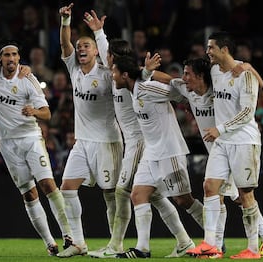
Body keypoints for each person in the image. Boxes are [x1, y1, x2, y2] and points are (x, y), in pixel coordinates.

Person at [84, 10, 196, 258]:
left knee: (123, 191)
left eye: (109, 59)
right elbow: (108, 53)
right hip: (139, 142)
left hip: (140, 142)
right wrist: (98, 31)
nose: (106, 63)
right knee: (152, 195)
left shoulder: (131, 77)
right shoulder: (122, 73)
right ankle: (185, 241)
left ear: (118, 63)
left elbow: (154, 79)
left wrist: (177, 90)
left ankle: (116, 246)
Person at [153, 57, 263, 258]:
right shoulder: (188, 90)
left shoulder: (218, 89)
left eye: (188, 74)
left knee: (221, 194)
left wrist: (248, 66)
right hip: (218, 151)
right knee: (236, 197)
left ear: (201, 76)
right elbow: (168, 79)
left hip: (232, 145)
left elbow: (257, 84)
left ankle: (215, 246)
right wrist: (145, 71)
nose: (184, 79)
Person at [0, 39, 77, 257]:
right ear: (0, 58)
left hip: (31, 139)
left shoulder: (28, 78)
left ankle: (69, 235)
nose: (12, 59)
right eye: (7, 55)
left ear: (19, 58)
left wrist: (34, 112)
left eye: (15, 55)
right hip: (8, 145)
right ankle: (50, 243)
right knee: (28, 193)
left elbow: (47, 112)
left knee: (47, 184)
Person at [110, 53, 203, 258]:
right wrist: (146, 72)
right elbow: (142, 77)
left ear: (125, 74)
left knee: (183, 200)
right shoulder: (135, 89)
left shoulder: (146, 89)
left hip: (169, 151)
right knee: (138, 194)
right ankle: (142, 248)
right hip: (152, 152)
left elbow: (175, 91)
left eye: (114, 72)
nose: (112, 76)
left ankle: (214, 237)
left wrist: (189, 103)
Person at [185, 31, 263, 259]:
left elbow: (248, 111)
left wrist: (219, 128)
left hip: (244, 141)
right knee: (210, 186)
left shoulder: (245, 75)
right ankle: (210, 244)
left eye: (211, 47)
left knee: (245, 195)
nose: (207, 51)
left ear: (225, 49)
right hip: (222, 142)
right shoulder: (213, 71)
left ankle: (253, 249)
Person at [57, 3, 124, 257]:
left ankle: (114, 244)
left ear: (96, 51)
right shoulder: (74, 69)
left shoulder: (107, 73)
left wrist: (99, 33)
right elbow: (65, 45)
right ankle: (78, 243)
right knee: (67, 188)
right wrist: (65, 22)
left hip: (107, 141)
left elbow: (111, 58)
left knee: (110, 195)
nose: (81, 49)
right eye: (80, 46)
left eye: (86, 46)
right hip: (82, 142)